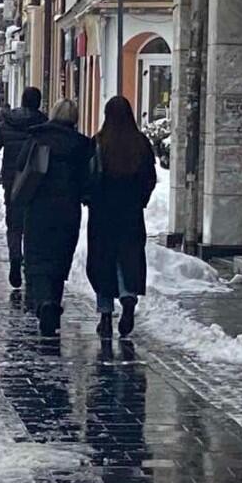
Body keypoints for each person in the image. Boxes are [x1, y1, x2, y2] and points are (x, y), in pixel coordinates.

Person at [21, 98, 94, 337]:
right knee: (60, 256)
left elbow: (22, 165)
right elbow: (89, 179)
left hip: (39, 207)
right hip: (68, 210)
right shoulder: (82, 145)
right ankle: (53, 299)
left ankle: (42, 301)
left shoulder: (37, 138)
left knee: (38, 256)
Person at [86, 95, 157, 339]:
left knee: (103, 259)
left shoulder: (98, 143)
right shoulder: (140, 143)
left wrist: (90, 199)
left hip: (102, 213)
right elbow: (150, 177)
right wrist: (140, 200)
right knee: (128, 256)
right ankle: (128, 296)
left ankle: (105, 314)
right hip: (130, 213)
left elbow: (88, 178)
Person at [0, 87, 48, 288]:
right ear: (38, 102)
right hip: (37, 183)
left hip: (13, 182)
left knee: (14, 225)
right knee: (32, 226)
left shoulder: (6, 124)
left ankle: (15, 257)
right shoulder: (44, 124)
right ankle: (28, 264)